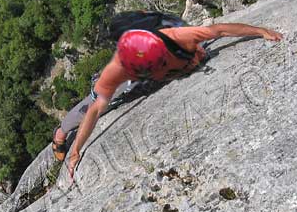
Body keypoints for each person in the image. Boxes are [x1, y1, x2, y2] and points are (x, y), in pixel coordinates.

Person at [52, 23, 283, 180]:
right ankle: (60, 135)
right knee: (88, 108)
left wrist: (260, 31)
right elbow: (93, 112)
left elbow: (219, 30)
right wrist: (76, 150)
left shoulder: (175, 39)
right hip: (112, 88)